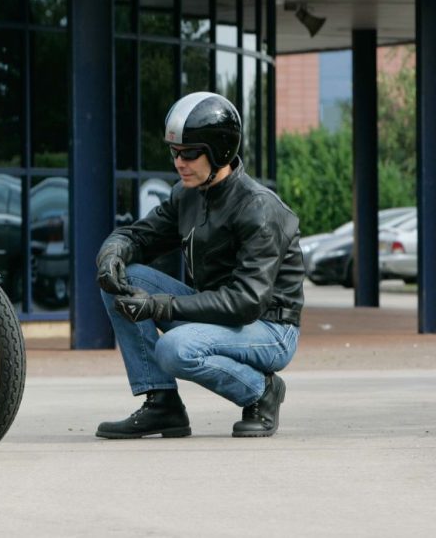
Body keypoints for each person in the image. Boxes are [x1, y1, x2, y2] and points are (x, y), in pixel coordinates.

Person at [95, 92, 303, 439]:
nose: (179, 162)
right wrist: (112, 253)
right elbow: (138, 237)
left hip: (269, 326)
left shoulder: (259, 209)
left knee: (175, 348)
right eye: (175, 152)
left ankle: (262, 392)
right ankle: (163, 405)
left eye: (190, 153)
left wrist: (161, 305)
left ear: (220, 149)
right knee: (122, 279)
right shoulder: (187, 195)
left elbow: (246, 301)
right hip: (219, 310)